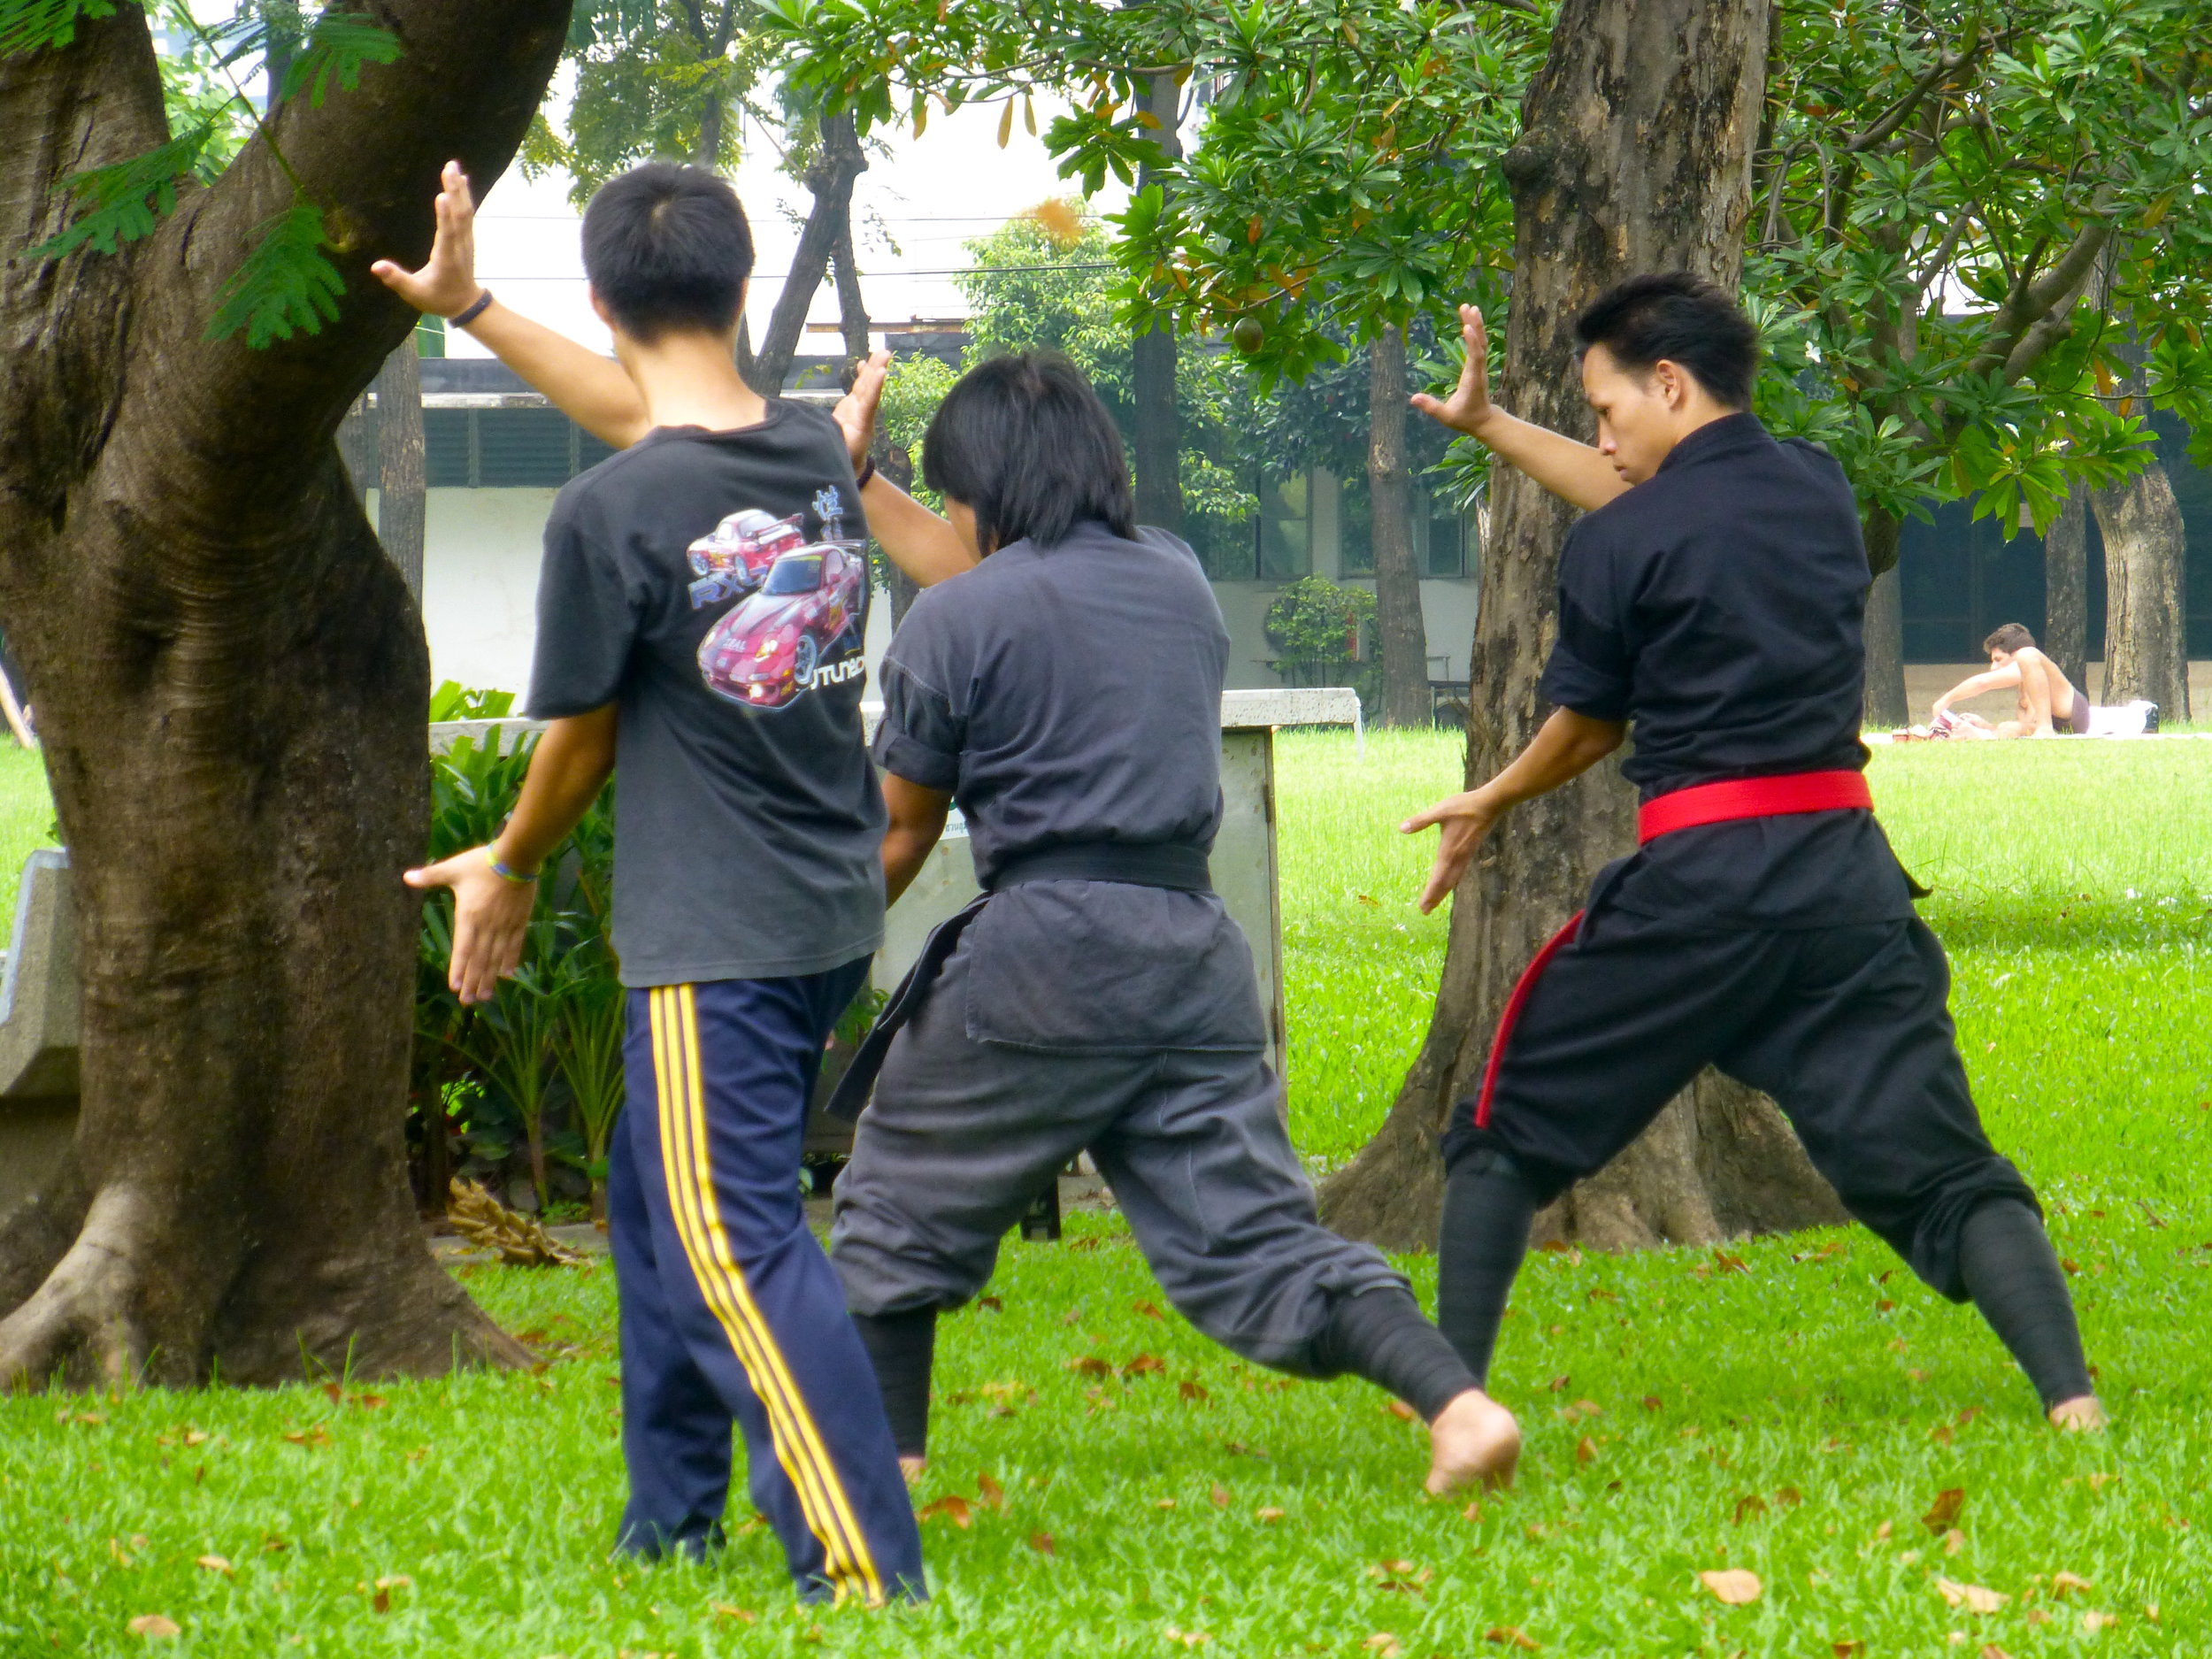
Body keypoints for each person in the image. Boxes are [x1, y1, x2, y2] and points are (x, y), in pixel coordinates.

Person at [380, 161, 969, 1605]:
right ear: (744, 285)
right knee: (654, 1202)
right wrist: (479, 312)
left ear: (605, 298)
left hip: (722, 939)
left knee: (730, 1236)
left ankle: (861, 1563)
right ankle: (673, 1517)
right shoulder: (811, 452)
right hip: (828, 907)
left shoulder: (613, 516)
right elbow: (640, 410)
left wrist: (510, 862)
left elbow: (581, 729)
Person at [1402, 274, 2101, 1466]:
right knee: (1942, 1161)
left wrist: (1494, 792)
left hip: (1699, 889)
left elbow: (1589, 721)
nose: (1602, 436)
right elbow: (1651, 506)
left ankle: (1452, 1406)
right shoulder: (1821, 489)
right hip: (1843, 881)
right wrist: (1492, 428)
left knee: (1503, 1127)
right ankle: (2072, 1399)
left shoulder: (1628, 537)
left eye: (1607, 408)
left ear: (1667, 382)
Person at [802, 350, 1514, 1494]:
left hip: (1037, 960)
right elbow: (986, 572)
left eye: (951, 494)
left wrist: (812, 953)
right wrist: (866, 476)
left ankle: (882, 1477)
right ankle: (1459, 1404)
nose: (945, 518)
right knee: (1262, 1249)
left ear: (986, 491)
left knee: (889, 1204)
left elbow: (899, 834)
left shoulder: (951, 625)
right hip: (1191, 954)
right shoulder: (1177, 575)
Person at [1928, 624, 2153, 737]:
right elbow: (2022, 730)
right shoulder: (2029, 686)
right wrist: (1985, 728)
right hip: (2095, 720)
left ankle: (2047, 729)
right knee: (2009, 726)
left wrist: (1946, 700)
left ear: (2014, 655)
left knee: (2028, 656)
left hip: (2142, 720)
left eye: (1998, 660)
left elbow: (1983, 683)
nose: (1993, 668)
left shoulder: (2027, 657)